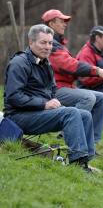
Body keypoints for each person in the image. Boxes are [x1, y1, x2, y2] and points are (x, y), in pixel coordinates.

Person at [3, 24, 96, 172]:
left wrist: (55, 102)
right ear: (31, 42)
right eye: (43, 42)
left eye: (50, 43)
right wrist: (44, 104)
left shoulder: (46, 63)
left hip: (37, 113)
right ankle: (77, 163)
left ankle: (85, 161)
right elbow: (14, 97)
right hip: (18, 117)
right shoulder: (19, 63)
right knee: (71, 113)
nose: (48, 47)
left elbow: (52, 89)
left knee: (84, 114)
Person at [41, 9, 103, 143]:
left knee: (102, 98)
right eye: (61, 21)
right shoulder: (49, 45)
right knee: (88, 97)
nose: (65, 24)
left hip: (66, 86)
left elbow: (71, 67)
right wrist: (97, 71)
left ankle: (92, 141)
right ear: (51, 24)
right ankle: (66, 133)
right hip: (52, 89)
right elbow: (70, 65)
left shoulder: (59, 44)